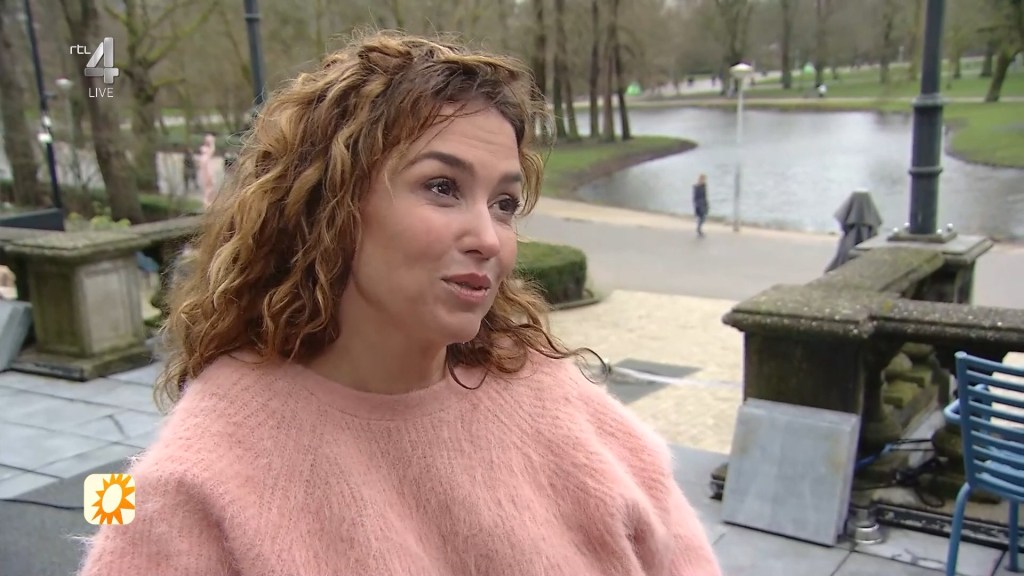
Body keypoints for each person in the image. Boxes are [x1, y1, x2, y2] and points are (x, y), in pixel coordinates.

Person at [76, 30, 722, 576]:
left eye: (503, 203)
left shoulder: (549, 391)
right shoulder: (197, 479)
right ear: (330, 204)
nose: (489, 237)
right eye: (442, 187)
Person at [197, 132, 217, 207]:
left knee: (209, 186)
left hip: (207, 168)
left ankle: (207, 201)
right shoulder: (205, 152)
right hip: (205, 169)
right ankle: (206, 201)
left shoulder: (207, 153)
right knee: (207, 186)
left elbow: (212, 150)